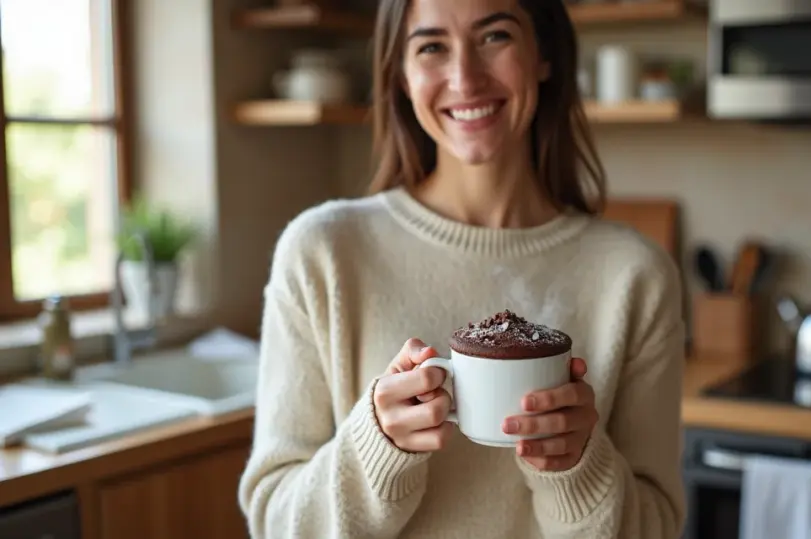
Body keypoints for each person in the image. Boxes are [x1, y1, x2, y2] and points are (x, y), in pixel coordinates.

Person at [237, 0, 686, 537]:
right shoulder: (322, 254)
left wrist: (578, 469)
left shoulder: (636, 276)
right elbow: (275, 521)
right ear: (401, 77)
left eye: (495, 36)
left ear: (543, 55)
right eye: (431, 47)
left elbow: (656, 526)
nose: (464, 77)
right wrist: (374, 449)